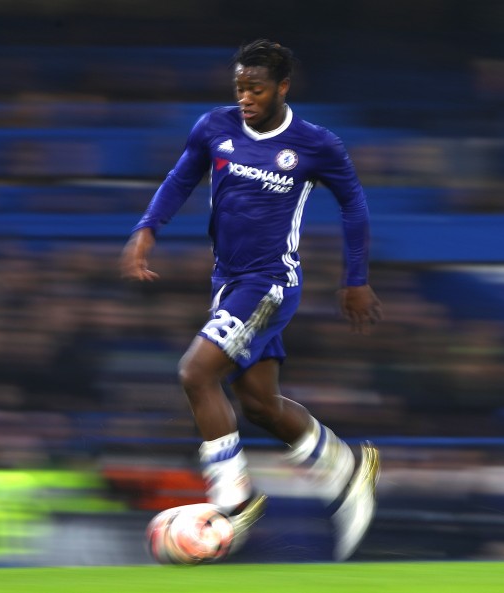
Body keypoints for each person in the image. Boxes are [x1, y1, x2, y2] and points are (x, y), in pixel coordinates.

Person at [120, 39, 383, 561]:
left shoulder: (315, 144)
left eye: (256, 88)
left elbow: (354, 205)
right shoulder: (214, 128)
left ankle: (233, 499)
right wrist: (148, 228)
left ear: (282, 88)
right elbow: (180, 177)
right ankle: (346, 469)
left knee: (196, 373)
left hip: (269, 283)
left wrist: (356, 278)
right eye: (240, 86)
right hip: (228, 281)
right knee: (261, 405)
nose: (245, 97)